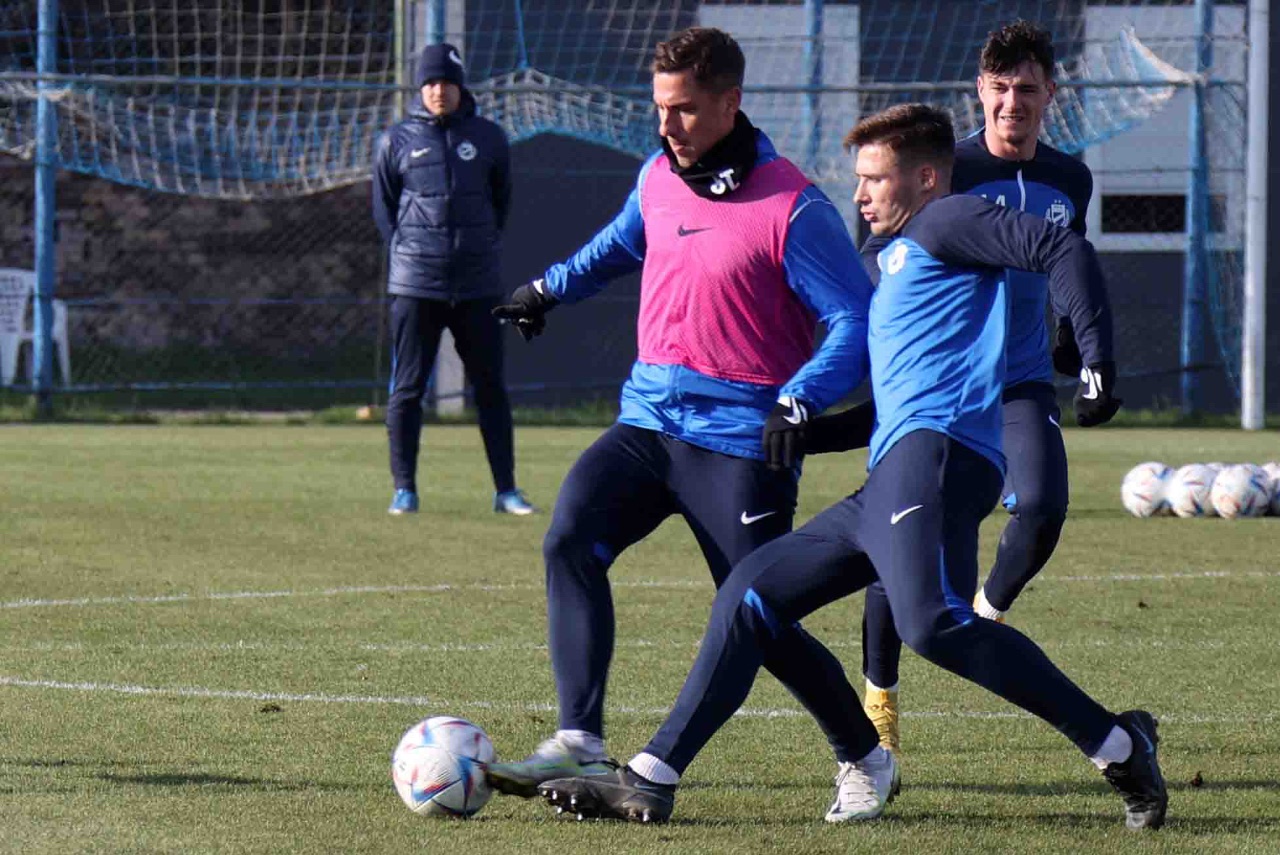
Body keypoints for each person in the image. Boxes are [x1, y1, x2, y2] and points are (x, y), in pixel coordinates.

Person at [535, 104, 1163, 831]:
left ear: (925, 178)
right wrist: (813, 433)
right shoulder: (895, 261)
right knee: (749, 595)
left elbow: (1064, 249)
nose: (860, 195)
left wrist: (1095, 360)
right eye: (858, 179)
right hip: (893, 472)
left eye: (875, 179)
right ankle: (651, 776)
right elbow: (892, 404)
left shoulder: (948, 219)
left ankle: (1119, 746)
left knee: (933, 625)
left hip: (936, 460)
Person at [484, 27, 879, 812]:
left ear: (731, 103)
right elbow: (618, 244)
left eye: (685, 110)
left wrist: (800, 397)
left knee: (758, 614)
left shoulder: (793, 206)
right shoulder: (658, 176)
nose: (666, 125)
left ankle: (865, 755)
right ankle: (580, 738)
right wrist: (548, 289)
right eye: (660, 107)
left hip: (740, 442)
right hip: (647, 425)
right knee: (568, 539)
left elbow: (854, 321)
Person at [804, 20, 1115, 758]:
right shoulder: (949, 169)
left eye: (1027, 88)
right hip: (939, 390)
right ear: (980, 90)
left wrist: (1075, 339)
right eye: (999, 88)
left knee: (1041, 506)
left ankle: (987, 615)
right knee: (900, 537)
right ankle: (881, 693)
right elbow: (881, 256)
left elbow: (1067, 258)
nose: (1012, 102)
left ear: (1050, 93)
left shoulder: (1071, 178)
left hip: (1019, 382)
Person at [371, 43, 535, 517]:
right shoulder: (395, 140)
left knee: (490, 389)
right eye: (429, 82)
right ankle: (404, 490)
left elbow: (500, 204)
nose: (437, 90)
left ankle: (506, 491)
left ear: (461, 86)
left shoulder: (490, 138)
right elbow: (384, 212)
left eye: (445, 81)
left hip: (478, 285)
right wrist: (413, 255)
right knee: (407, 389)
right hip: (415, 285)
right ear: (420, 88)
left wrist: (473, 250)